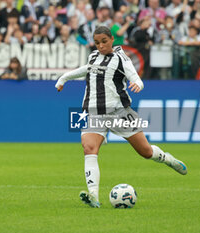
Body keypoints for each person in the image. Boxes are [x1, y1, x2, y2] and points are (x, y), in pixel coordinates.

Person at [55, 26, 187, 208]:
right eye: (97, 42)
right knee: (89, 148)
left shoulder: (120, 57)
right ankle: (93, 196)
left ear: (111, 40)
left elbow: (134, 76)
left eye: (104, 41)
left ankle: (167, 158)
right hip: (94, 112)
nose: (100, 46)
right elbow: (86, 69)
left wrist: (138, 84)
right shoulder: (93, 56)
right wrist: (64, 78)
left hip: (119, 113)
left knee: (146, 152)